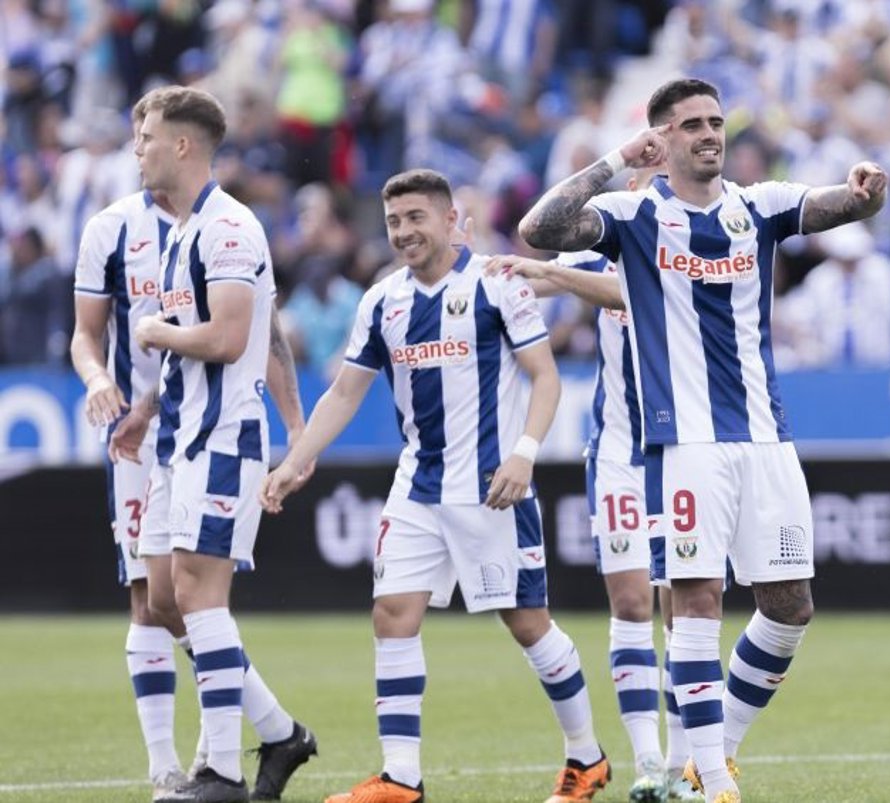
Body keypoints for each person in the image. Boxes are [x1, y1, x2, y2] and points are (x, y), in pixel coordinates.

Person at [519, 77, 888, 803]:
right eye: (690, 124)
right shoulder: (632, 214)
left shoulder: (759, 206)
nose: (710, 134)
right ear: (661, 139)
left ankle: (711, 759)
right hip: (684, 446)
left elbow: (840, 205)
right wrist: (615, 160)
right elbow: (541, 228)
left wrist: (865, 191)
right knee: (695, 603)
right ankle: (713, 783)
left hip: (766, 440)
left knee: (790, 607)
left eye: (715, 121)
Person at [260, 168, 609, 803]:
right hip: (418, 485)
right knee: (392, 614)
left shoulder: (497, 285)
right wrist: (294, 461)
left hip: (492, 487)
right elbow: (345, 392)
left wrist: (524, 455)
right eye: (394, 221)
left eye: (416, 217)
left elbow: (545, 377)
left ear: (450, 220)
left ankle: (586, 757)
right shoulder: (382, 300)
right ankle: (401, 777)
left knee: (528, 624)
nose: (403, 232)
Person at [72, 93, 318, 803]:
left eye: (147, 137)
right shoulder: (181, 234)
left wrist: (155, 332)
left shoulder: (229, 228)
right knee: (165, 598)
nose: (137, 149)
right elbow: (189, 355)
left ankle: (221, 772)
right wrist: (144, 409)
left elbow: (234, 339)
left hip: (223, 439)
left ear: (182, 145)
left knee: (199, 597)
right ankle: (278, 733)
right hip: (175, 438)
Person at [487, 167, 704, 803]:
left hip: (686, 450)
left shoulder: (697, 243)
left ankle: (686, 766)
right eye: (646, 177)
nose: (655, 190)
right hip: (617, 453)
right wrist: (478, 267)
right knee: (632, 603)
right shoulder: (598, 249)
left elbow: (634, 290)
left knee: (684, 609)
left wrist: (552, 274)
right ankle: (649, 763)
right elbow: (528, 268)